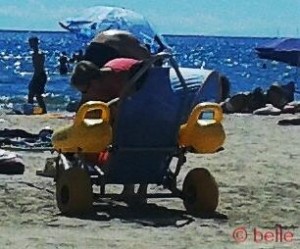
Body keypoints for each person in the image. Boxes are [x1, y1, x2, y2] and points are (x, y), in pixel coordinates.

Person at [71, 30, 151, 204]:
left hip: (138, 110)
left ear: (93, 82)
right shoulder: (115, 69)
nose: (86, 94)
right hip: (151, 111)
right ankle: (139, 190)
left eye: (85, 90)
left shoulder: (118, 75)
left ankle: (130, 188)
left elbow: (126, 105)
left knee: (122, 134)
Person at [28, 37, 47, 114]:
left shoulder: (38, 54)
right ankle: (31, 109)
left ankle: (41, 110)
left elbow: (39, 68)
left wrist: (35, 77)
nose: (30, 45)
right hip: (39, 75)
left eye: (31, 43)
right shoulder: (36, 54)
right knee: (33, 94)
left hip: (39, 75)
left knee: (36, 94)